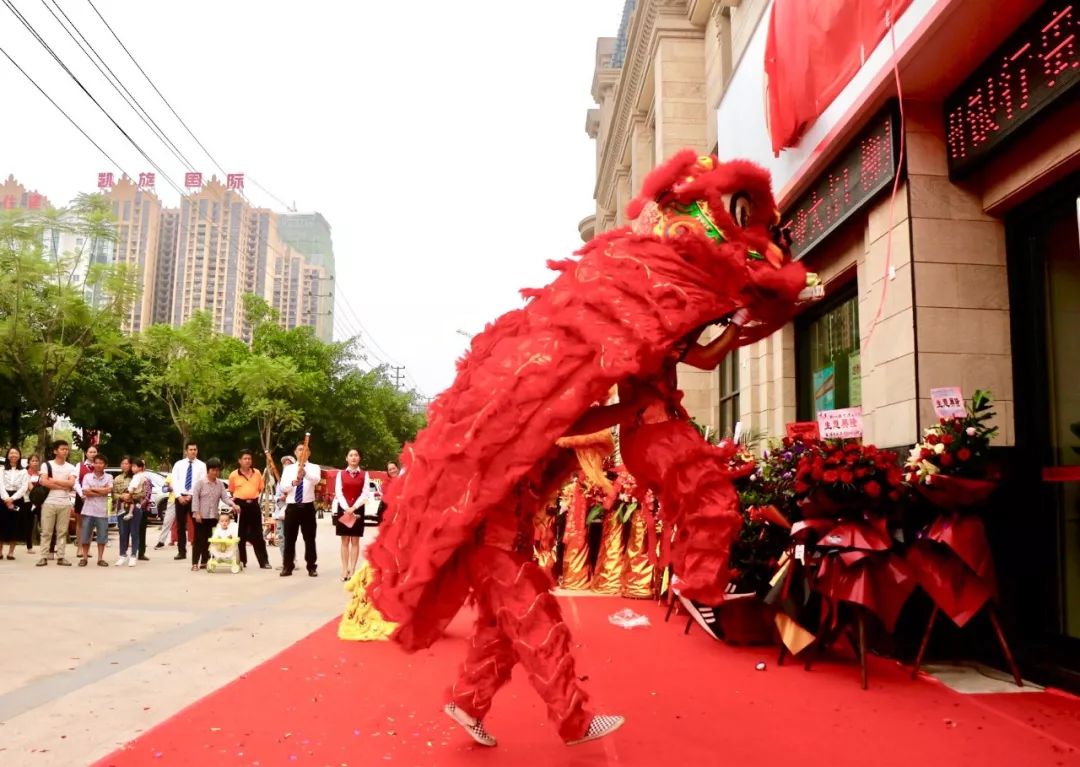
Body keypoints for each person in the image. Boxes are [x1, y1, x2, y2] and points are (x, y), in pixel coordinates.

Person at [279, 442, 321, 577]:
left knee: (309, 538)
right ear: (295, 452)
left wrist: (305, 474)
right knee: (289, 539)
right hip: (292, 507)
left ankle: (311, 566)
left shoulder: (314, 467)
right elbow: (283, 487)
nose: (302, 452)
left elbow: (316, 480)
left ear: (309, 453)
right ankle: (287, 566)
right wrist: (293, 483)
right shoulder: (289, 469)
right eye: (299, 449)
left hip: (307, 506)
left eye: (305, 450)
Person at [190, 458, 238, 571]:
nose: (216, 472)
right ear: (208, 470)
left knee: (210, 540)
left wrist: (233, 505)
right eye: (213, 470)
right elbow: (195, 499)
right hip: (201, 516)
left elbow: (225, 497)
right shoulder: (200, 483)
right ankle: (194, 563)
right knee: (198, 540)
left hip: (213, 516)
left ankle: (205, 561)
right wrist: (196, 513)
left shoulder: (220, 484)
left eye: (217, 470)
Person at [37, 440, 78, 567]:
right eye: (62, 449)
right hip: (49, 502)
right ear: (55, 451)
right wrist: (63, 484)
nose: (65, 451)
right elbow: (44, 482)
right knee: (46, 531)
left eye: (67, 449)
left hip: (64, 503)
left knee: (62, 531)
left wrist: (53, 481)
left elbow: (71, 483)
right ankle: (43, 556)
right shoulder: (47, 465)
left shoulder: (71, 467)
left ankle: (61, 556)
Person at [227, 449, 270, 570]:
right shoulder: (233, 475)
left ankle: (264, 561)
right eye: (245, 458)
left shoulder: (257, 473)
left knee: (258, 534)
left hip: (254, 505)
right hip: (240, 505)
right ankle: (242, 561)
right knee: (240, 534)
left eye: (249, 459)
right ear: (239, 460)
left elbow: (261, 488)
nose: (247, 461)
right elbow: (231, 490)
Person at [333, 449, 371, 581]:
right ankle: (344, 569)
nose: (353, 457)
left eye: (356, 455)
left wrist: (354, 507)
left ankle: (353, 569)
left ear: (359, 458)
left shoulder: (365, 474)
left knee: (355, 540)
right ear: (346, 458)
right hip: (344, 508)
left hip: (358, 509)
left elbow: (365, 493)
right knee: (344, 540)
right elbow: (338, 492)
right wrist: (347, 508)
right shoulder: (340, 474)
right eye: (351, 455)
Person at [170, 442, 207, 561]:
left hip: (194, 499)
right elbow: (174, 481)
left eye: (195, 449)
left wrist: (192, 496)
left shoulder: (202, 465)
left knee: (197, 525)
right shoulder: (178, 464)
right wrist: (179, 496)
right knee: (180, 526)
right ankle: (181, 551)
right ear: (186, 451)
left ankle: (198, 550)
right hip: (180, 498)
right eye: (190, 449)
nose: (193, 451)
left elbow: (202, 482)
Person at [76, 454, 113, 567]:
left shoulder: (109, 477)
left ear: (105, 465)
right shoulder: (87, 476)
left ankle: (100, 559)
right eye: (96, 462)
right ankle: (84, 558)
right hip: (88, 510)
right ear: (93, 464)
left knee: (102, 536)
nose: (98, 465)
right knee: (85, 535)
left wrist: (93, 489)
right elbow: (85, 492)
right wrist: (101, 490)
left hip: (102, 511)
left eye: (101, 463)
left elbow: (108, 491)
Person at [114, 457, 147, 567]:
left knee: (134, 532)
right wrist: (122, 496)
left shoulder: (139, 477)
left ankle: (133, 555)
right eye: (123, 463)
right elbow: (114, 493)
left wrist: (131, 496)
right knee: (123, 532)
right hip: (122, 506)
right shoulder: (117, 478)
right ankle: (122, 555)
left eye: (128, 464)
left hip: (135, 506)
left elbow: (143, 493)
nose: (125, 465)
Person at [1, 447, 30, 559]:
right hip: (3, 498)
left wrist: (12, 499)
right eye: (11, 453)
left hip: (17, 499)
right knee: (1, 523)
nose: (13, 455)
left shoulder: (23, 471)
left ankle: (11, 552)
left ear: (19, 455)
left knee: (15, 524)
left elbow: (24, 487)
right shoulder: (2, 469)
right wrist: (6, 499)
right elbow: (0, 485)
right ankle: (0, 551)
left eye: (16, 453)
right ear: (8, 455)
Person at [71, 445, 97, 555]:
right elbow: (75, 481)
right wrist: (81, 494)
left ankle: (88, 548)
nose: (93, 454)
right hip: (81, 496)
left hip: (94, 497)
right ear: (86, 454)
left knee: (91, 524)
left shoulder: (99, 466)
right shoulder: (79, 465)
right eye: (90, 452)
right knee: (80, 523)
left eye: (95, 452)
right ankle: (79, 547)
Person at [25, 454, 41, 553]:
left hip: (41, 502)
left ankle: (47, 546)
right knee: (29, 524)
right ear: (29, 462)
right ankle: (29, 547)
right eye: (33, 461)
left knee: (44, 523)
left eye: (36, 461)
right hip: (29, 502)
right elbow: (30, 488)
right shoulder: (25, 473)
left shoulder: (41, 474)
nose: (35, 462)